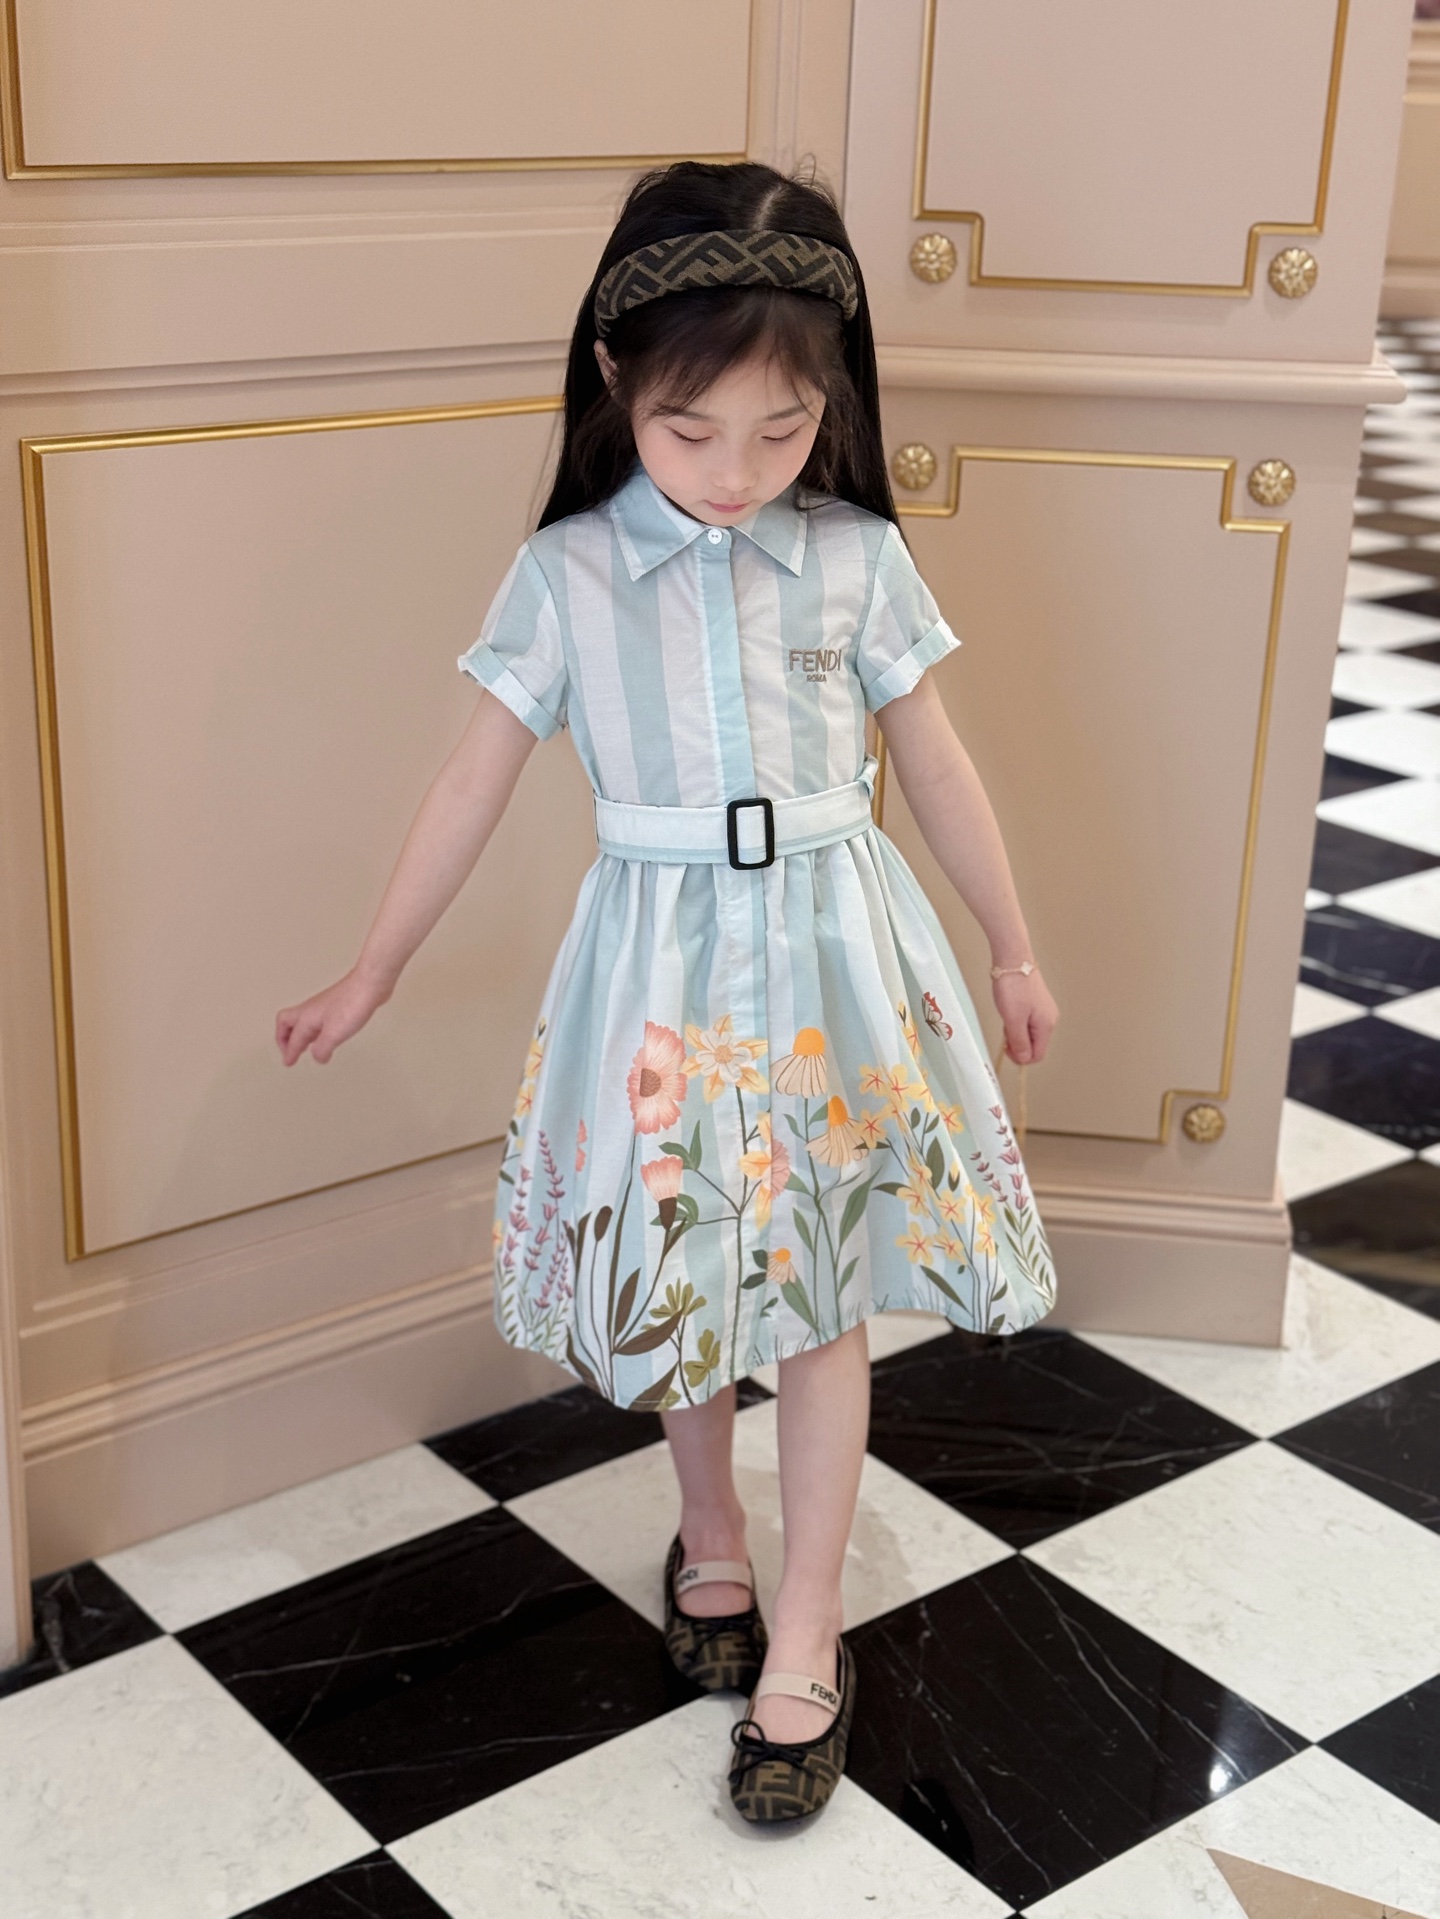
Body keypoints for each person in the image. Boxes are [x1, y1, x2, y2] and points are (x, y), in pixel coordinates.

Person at [276, 160, 1058, 1827]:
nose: (735, 473)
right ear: (618, 385)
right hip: (658, 967)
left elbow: (936, 766)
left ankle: (808, 1620)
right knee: (682, 1262)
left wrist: (1008, 942)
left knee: (827, 1293)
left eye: (782, 431)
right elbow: (472, 780)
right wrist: (375, 965)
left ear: (831, 405)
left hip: (837, 956)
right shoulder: (566, 576)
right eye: (691, 432)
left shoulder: (855, 560)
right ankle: (711, 1531)